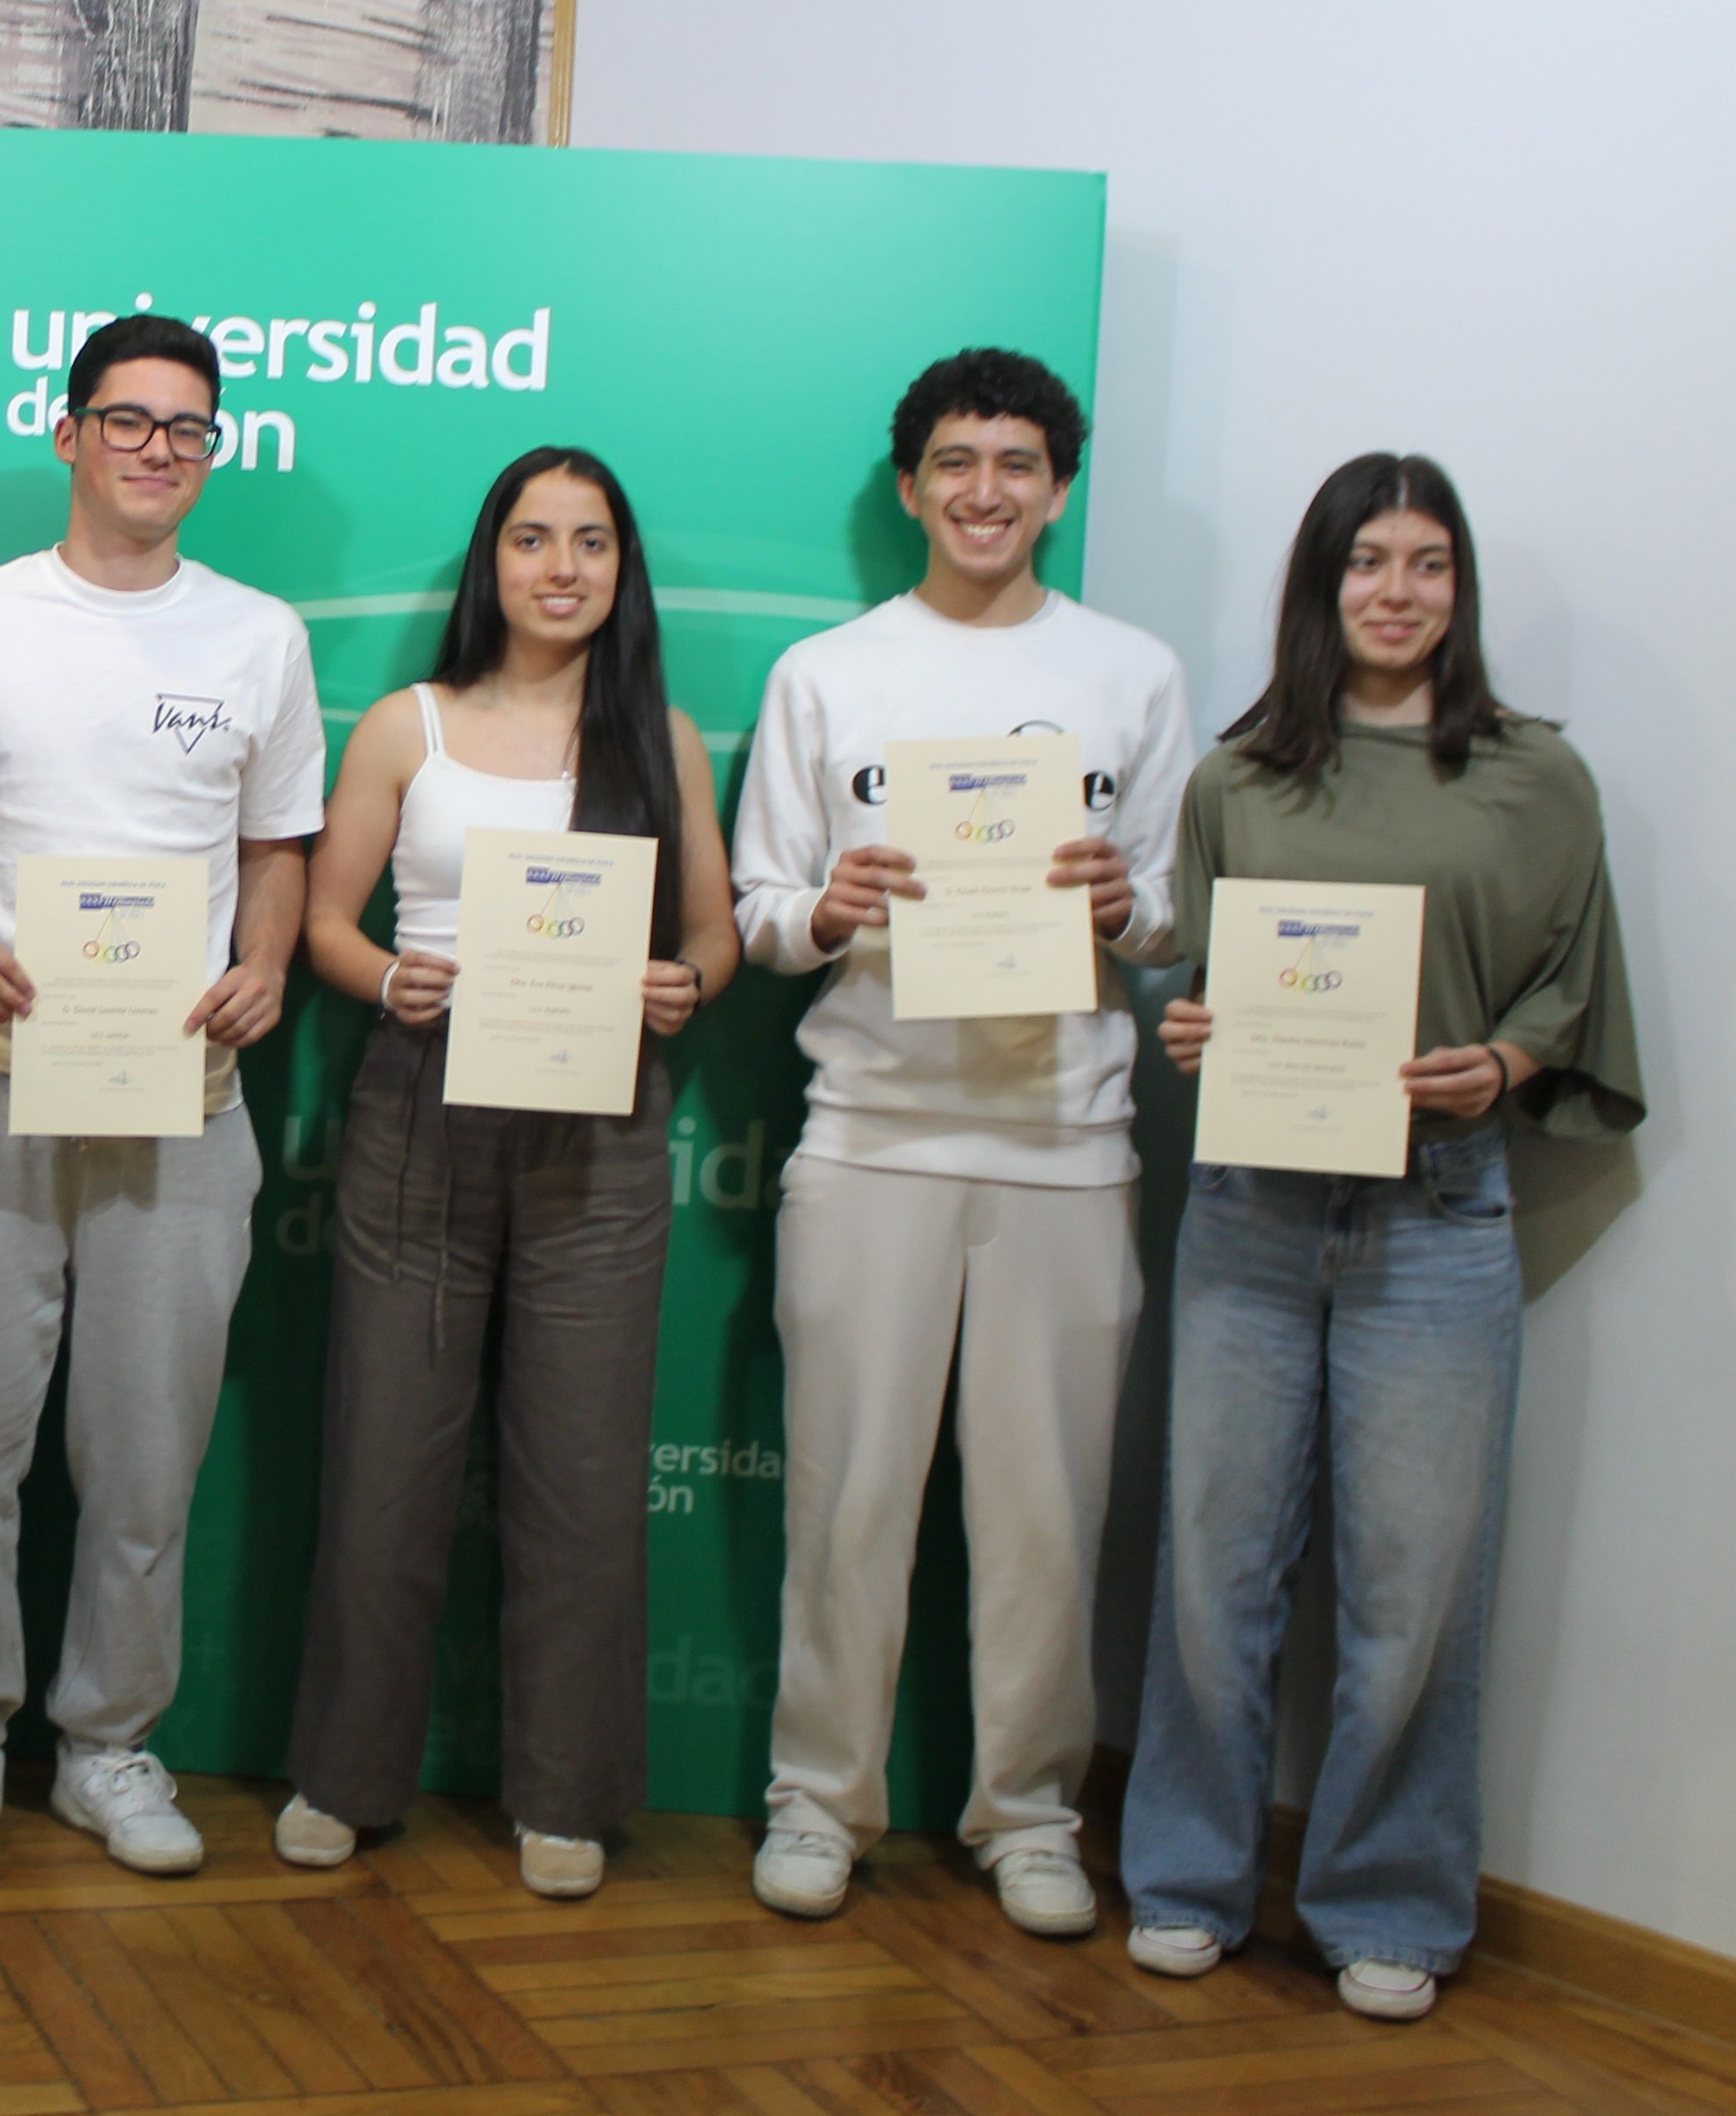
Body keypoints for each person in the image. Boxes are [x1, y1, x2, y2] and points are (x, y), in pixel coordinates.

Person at [1123, 455, 1641, 2022]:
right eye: (1365, 562)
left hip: (1438, 1215)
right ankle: (1187, 1880)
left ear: (1457, 589)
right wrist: (1192, 1025)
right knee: (1212, 1572)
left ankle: (1389, 1904)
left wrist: (1502, 1063)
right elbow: (1193, 972)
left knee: (1415, 1587)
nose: (1395, 592)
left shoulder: (1537, 777)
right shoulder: (1236, 778)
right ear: (1320, 584)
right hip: (1251, 1213)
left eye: (1426, 564)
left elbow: (1569, 981)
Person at [0, 314, 325, 1883]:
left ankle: (110, 1742)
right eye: (127, 420)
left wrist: (263, 962)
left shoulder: (258, 635)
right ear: (67, 434)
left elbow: (275, 847)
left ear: (213, 450)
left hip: (181, 1094)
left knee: (145, 1450)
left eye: (188, 428)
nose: (156, 450)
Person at [730, 347, 1192, 1936]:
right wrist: (824, 907)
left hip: (1067, 1142)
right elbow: (758, 910)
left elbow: (1177, 906)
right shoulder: (827, 671)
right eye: (952, 461)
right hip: (869, 1135)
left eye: (1014, 462)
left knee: (1044, 1509)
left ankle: (1029, 1811)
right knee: (846, 1499)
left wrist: (1131, 905)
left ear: (1055, 487)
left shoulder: (1130, 672)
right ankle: (818, 1798)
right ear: (911, 484)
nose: (983, 489)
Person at [272, 447, 738, 1898]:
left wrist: (684, 984)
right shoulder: (406, 728)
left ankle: (565, 1793)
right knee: (384, 1465)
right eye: (530, 539)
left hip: (599, 1123)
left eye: (588, 542)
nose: (558, 567)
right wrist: (388, 980)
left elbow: (713, 935)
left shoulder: (661, 741)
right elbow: (325, 925)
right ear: (490, 561)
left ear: (620, 568)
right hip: (421, 1108)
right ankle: (344, 1778)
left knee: (583, 1477)